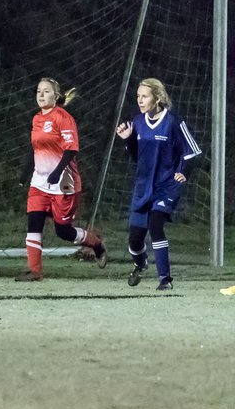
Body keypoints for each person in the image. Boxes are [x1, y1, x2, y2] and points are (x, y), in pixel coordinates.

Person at [16, 77, 107, 282]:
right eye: (38, 91)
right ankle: (34, 271)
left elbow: (71, 149)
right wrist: (24, 174)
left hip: (64, 184)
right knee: (34, 223)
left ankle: (95, 243)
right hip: (39, 183)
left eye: (46, 91)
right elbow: (35, 148)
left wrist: (57, 172)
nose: (41, 95)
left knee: (63, 231)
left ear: (56, 96)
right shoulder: (36, 119)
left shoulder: (63, 118)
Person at [115, 78, 202, 291]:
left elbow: (193, 151)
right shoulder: (137, 122)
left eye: (144, 96)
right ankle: (140, 263)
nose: (140, 100)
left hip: (166, 185)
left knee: (155, 225)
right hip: (143, 187)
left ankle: (165, 279)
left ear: (157, 98)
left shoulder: (173, 122)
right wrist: (128, 139)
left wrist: (183, 172)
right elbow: (137, 157)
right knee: (135, 240)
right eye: (138, 96)